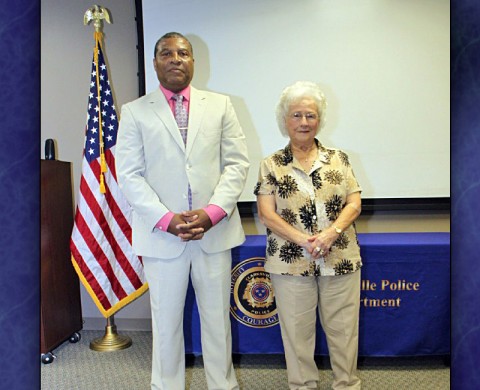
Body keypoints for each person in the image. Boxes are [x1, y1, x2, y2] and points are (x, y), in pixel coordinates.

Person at [116, 32, 249, 390]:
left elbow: (236, 164)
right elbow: (128, 175)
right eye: (166, 53)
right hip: (161, 236)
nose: (175, 58)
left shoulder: (220, 105)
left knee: (218, 322)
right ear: (155, 62)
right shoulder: (134, 112)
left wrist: (214, 212)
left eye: (183, 53)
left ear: (193, 61)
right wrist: (165, 219)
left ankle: (223, 385)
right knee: (166, 324)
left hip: (214, 233)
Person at [254, 81, 363, 389]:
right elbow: (266, 213)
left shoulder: (339, 159)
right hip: (290, 264)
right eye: (297, 115)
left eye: (310, 115)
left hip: (340, 256)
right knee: (297, 332)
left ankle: (347, 385)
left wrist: (331, 233)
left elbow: (354, 203)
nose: (304, 122)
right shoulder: (270, 165)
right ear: (285, 120)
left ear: (319, 120)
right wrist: (304, 241)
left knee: (344, 331)